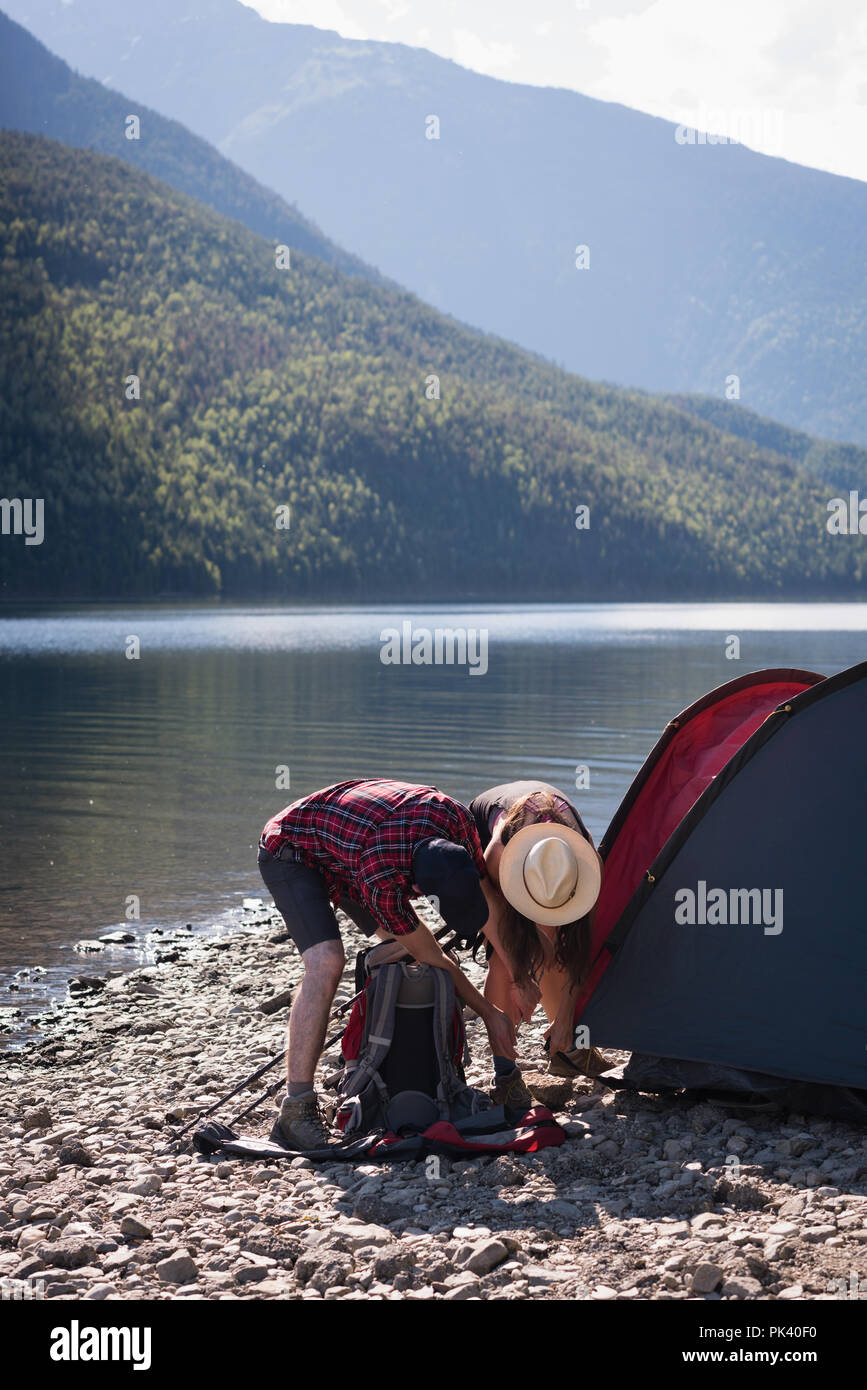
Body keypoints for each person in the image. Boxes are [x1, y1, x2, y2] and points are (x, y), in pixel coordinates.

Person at [258, 778, 516, 1150]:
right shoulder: (382, 878)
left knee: (404, 948)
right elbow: (433, 955)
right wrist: (490, 1012)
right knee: (327, 961)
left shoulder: (455, 818)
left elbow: (487, 907)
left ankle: (431, 1071)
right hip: (292, 847)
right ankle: (295, 1110)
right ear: (417, 888)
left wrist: (517, 973)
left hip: (350, 843)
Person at [468, 780, 606, 1085]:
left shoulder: (589, 865)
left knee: (558, 943)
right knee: (505, 958)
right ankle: (505, 1070)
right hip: (493, 829)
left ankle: (564, 1047)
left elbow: (581, 950)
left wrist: (567, 1015)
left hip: (548, 856)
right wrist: (521, 976)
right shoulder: (497, 856)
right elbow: (490, 918)